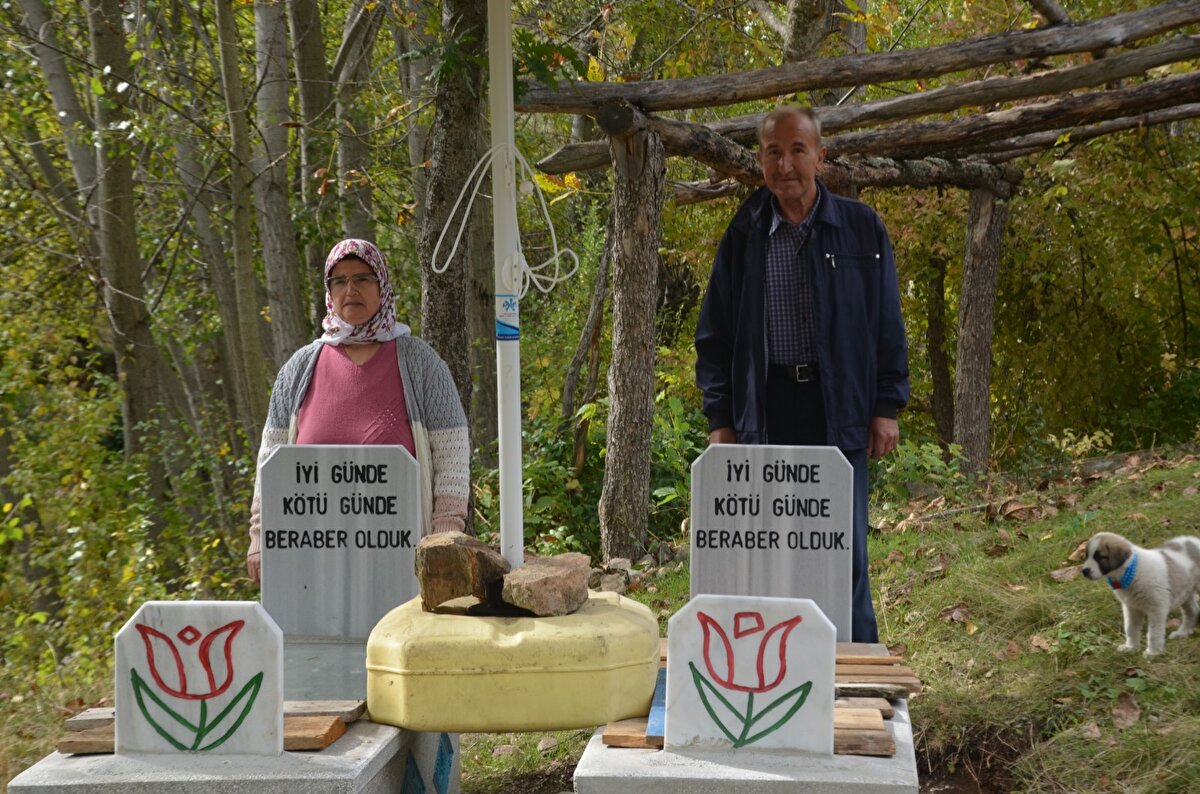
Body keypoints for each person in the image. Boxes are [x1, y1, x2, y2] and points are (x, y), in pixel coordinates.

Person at [694, 105, 910, 643]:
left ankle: (856, 670)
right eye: (773, 152)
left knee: (845, 550)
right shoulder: (745, 232)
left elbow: (886, 321)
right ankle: (777, 665)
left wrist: (887, 406)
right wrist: (721, 418)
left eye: (797, 150)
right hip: (764, 412)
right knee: (768, 550)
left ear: (820, 156)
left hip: (839, 410)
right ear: (760, 160)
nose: (785, 164)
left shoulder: (862, 229)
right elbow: (715, 334)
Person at [246, 238, 470, 582]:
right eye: (340, 281)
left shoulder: (422, 365)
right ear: (329, 293)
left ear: (382, 286)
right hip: (311, 563)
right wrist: (259, 537)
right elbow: (270, 461)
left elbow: (452, 457)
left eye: (363, 278)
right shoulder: (298, 369)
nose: (351, 289)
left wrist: (443, 540)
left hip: (401, 565)